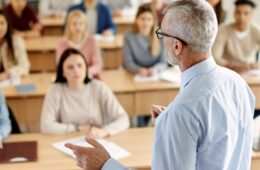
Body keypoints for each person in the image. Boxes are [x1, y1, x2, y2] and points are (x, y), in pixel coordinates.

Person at [65, 0, 255, 169]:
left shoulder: (182, 112)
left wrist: (106, 165)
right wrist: (174, 127)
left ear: (177, 47)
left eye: (162, 33)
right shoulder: (238, 83)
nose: (160, 39)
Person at [41, 48, 129, 137]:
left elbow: (123, 119)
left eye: (80, 65)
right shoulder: (55, 90)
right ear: (63, 72)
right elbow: (46, 125)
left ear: (86, 67)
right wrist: (76, 128)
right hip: (67, 140)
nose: (76, 70)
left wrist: (104, 131)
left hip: (96, 140)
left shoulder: (99, 87)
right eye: (70, 67)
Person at [212, 0, 260, 73]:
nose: (241, 17)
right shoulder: (223, 29)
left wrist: (256, 65)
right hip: (228, 70)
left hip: (250, 71)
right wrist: (233, 66)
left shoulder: (257, 31)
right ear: (234, 14)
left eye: (246, 13)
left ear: (251, 15)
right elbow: (215, 56)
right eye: (238, 12)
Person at [56, 10, 103, 78]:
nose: (77, 27)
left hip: (89, 76)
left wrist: (84, 72)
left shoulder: (92, 41)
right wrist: (74, 74)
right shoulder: (62, 44)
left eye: (81, 23)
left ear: (85, 26)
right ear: (69, 26)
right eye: (74, 24)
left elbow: (98, 65)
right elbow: (60, 65)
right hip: (69, 78)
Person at [123, 5, 166, 77]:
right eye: (142, 19)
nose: (145, 23)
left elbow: (163, 62)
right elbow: (128, 62)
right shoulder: (128, 37)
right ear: (137, 20)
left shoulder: (160, 36)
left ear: (153, 21)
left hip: (155, 75)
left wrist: (154, 69)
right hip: (135, 75)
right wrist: (139, 70)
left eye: (149, 19)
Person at [0, 10, 30, 81]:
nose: (0, 27)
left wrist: (7, 74)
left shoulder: (16, 41)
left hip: (10, 82)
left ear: (7, 24)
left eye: (2, 23)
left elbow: (25, 66)